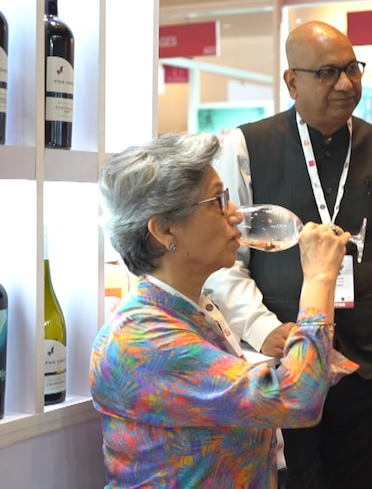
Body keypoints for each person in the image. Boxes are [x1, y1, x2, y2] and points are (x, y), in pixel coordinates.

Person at [207, 20, 372, 489]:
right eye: (328, 72)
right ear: (293, 81)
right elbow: (226, 260)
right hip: (284, 361)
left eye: (353, 69)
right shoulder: (247, 147)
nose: (347, 83)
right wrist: (264, 330)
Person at [91, 132, 358, 488]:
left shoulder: (194, 309)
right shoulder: (141, 338)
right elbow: (297, 399)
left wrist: (305, 349)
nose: (234, 213)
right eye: (218, 200)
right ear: (165, 229)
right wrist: (321, 277)